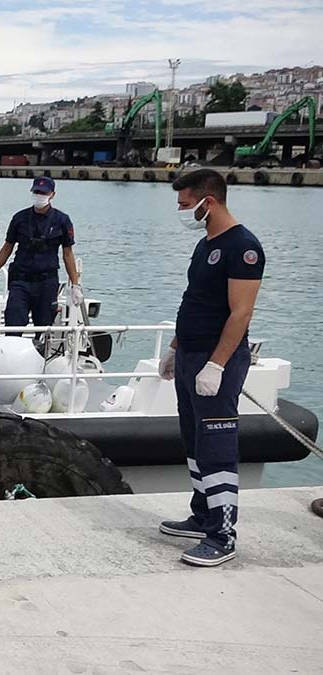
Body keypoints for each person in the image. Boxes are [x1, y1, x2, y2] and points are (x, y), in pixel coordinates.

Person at [157, 168, 264, 568]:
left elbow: (241, 312)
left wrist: (216, 365)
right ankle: (203, 515)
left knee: (217, 447)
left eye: (186, 204)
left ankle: (223, 533)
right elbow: (194, 300)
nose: (183, 211)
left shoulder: (243, 247)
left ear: (209, 201)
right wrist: (174, 348)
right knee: (195, 440)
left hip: (216, 359)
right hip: (190, 354)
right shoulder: (206, 244)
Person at [0, 176, 82, 328]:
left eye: (44, 193)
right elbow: (7, 247)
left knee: (44, 327)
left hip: (46, 281)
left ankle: (41, 349)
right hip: (20, 279)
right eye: (37, 192)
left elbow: (68, 254)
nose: (40, 196)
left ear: (52, 195)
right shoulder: (20, 218)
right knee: (14, 321)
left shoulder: (62, 220)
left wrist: (75, 285)